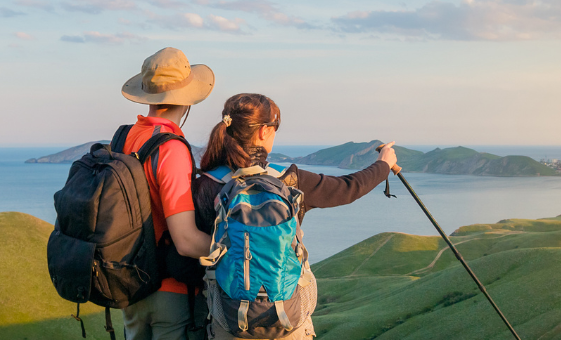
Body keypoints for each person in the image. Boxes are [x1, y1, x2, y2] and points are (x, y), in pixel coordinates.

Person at [190, 93, 398, 340]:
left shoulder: (205, 185)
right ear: (264, 132)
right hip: (288, 322)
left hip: (230, 322)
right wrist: (383, 164)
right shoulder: (290, 182)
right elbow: (349, 187)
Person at [117, 47, 217, 340]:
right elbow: (185, 241)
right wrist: (237, 250)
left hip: (132, 287)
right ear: (187, 100)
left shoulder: (126, 137)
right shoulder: (171, 148)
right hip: (171, 294)